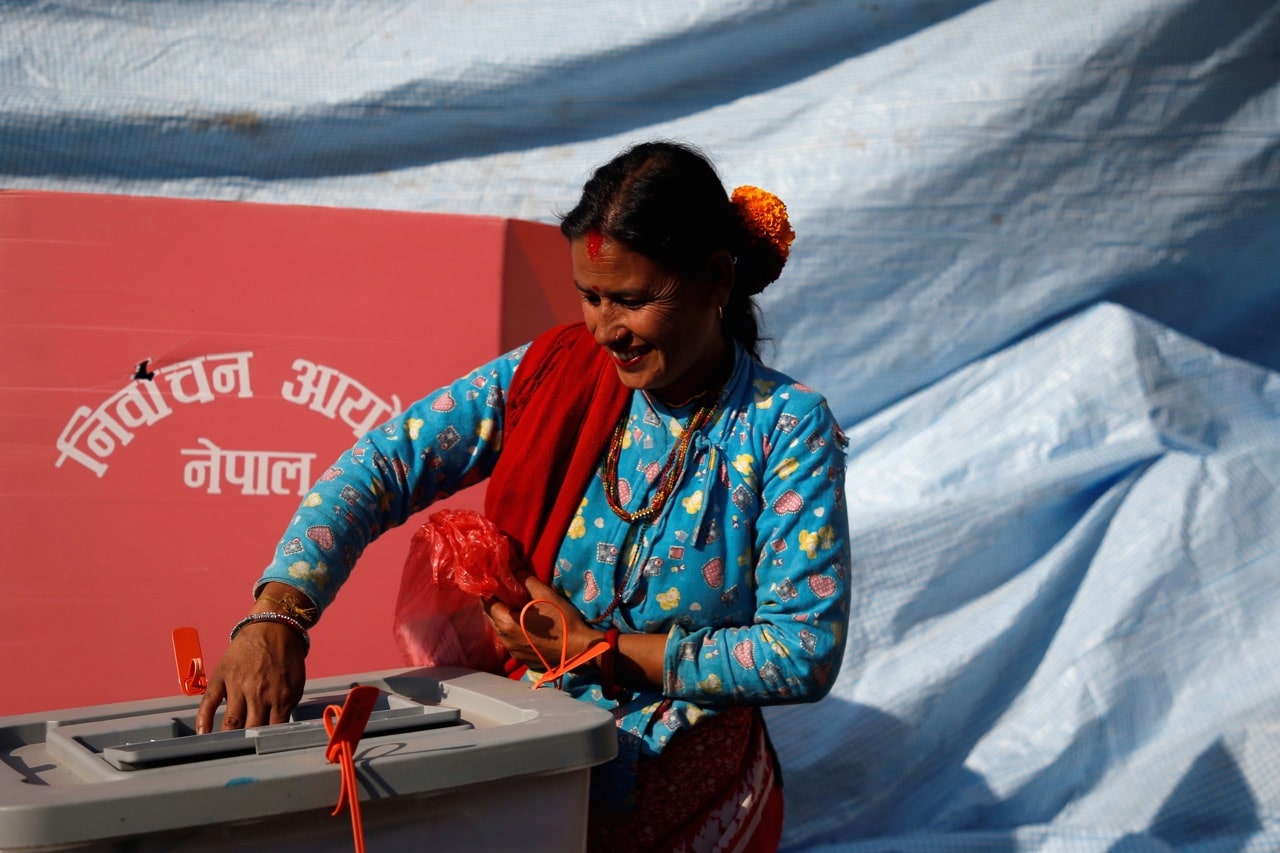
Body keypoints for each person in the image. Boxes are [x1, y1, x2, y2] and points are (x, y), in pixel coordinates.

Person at [196, 140, 851, 852]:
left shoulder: (785, 426)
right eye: (592, 296)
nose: (606, 330)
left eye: (633, 300)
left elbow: (802, 648)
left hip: (694, 807)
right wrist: (278, 613)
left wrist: (599, 652)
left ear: (717, 280)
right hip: (528, 773)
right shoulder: (552, 372)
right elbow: (382, 465)